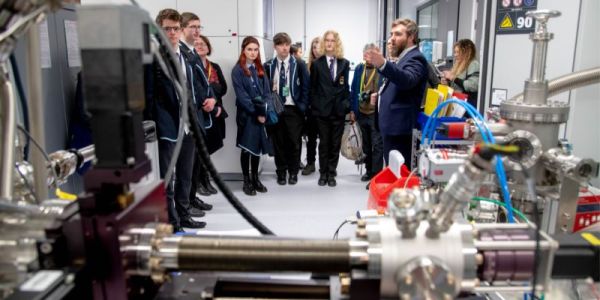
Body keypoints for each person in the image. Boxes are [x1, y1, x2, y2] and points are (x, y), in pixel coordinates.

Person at [144, 8, 206, 231]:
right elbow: (148, 95)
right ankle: (172, 222)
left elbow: (193, 87)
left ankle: (184, 214)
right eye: (166, 29)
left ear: (181, 30)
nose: (171, 33)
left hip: (188, 125)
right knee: (167, 178)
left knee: (186, 176)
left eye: (175, 28)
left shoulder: (187, 55)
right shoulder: (153, 57)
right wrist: (152, 125)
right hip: (167, 125)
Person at [364, 18, 428, 168]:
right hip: (392, 127)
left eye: (398, 34)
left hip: (400, 131)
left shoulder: (416, 58)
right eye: (391, 34)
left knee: (400, 175)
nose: (392, 39)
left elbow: (407, 80)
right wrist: (379, 95)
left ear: (411, 37)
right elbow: (395, 84)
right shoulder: (403, 58)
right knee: (393, 172)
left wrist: (383, 64)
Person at [179, 12, 217, 215]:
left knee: (195, 165)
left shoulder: (192, 53)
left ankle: (192, 198)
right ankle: (185, 205)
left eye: (199, 27)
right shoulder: (181, 53)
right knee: (187, 167)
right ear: (182, 28)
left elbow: (204, 83)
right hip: (189, 117)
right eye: (192, 27)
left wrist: (212, 98)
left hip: (199, 115)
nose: (196, 31)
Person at [264, 32, 310, 185]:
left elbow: (306, 87)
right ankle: (281, 172)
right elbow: (265, 89)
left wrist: (302, 106)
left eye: (286, 44)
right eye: (281, 45)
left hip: (293, 108)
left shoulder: (299, 64)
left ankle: (293, 172)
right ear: (275, 46)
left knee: (294, 142)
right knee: (279, 143)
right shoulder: (269, 66)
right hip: (276, 108)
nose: (284, 48)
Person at [231, 36, 273, 196]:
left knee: (256, 148)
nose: (253, 52)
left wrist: (265, 112)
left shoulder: (260, 69)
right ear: (243, 50)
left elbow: (268, 93)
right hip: (247, 115)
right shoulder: (238, 70)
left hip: (261, 114)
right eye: (250, 49)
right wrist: (257, 113)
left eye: (256, 49)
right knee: (246, 149)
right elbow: (242, 97)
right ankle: (246, 181)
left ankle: (256, 179)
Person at [309, 30, 351, 187]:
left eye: (332, 40)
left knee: (334, 144)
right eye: (326, 40)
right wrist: (315, 107)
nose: (329, 43)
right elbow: (312, 89)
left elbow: (345, 87)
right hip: (322, 111)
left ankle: (332, 173)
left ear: (336, 43)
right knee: (324, 144)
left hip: (339, 111)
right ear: (323, 43)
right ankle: (323, 173)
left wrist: (347, 105)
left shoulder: (344, 63)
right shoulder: (317, 64)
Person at [350, 43, 384, 184]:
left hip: (376, 114)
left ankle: (376, 175)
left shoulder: (382, 69)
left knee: (377, 145)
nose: (368, 56)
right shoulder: (359, 68)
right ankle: (369, 171)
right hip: (362, 112)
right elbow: (353, 90)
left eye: (371, 53)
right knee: (366, 145)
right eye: (366, 53)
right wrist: (352, 110)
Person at [301, 37, 322, 176]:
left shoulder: (329, 65)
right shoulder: (306, 66)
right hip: (310, 109)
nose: (316, 50)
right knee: (311, 139)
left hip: (324, 108)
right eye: (314, 47)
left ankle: (325, 165)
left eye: (318, 47)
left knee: (325, 140)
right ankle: (310, 163)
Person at [441, 39, 480, 108]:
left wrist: (453, 78)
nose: (455, 55)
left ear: (466, 52)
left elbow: (472, 86)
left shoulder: (473, 64)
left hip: (467, 106)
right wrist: (447, 82)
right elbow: (457, 85)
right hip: (457, 103)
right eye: (455, 52)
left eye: (458, 52)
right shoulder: (458, 65)